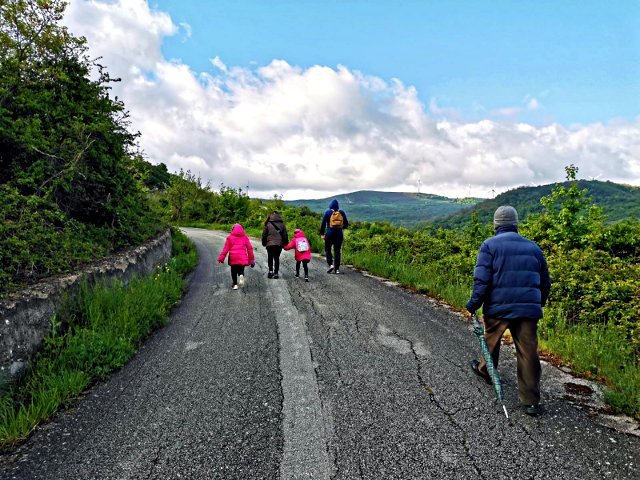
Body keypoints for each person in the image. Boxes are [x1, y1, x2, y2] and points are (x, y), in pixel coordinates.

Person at [466, 205, 551, 416]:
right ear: (516, 224)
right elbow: (545, 282)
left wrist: (473, 304)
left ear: (496, 225)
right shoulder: (534, 247)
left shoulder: (489, 246)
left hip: (498, 307)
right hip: (527, 309)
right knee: (528, 352)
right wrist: (538, 303)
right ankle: (531, 402)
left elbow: (482, 281)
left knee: (491, 342)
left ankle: (486, 371)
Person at [218, 223, 255, 290]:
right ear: (242, 229)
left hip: (233, 257)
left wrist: (221, 258)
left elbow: (225, 249)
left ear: (232, 229)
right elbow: (250, 248)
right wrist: (251, 260)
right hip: (242, 257)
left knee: (233, 271)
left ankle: (235, 284)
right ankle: (241, 275)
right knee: (241, 270)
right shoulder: (245, 237)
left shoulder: (229, 237)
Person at [319, 199, 348, 274]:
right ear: (338, 206)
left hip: (329, 234)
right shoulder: (341, 212)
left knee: (328, 249)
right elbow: (346, 224)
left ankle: (331, 265)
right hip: (339, 235)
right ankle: (337, 269)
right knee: (337, 251)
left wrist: (322, 234)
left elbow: (322, 225)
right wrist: (341, 228)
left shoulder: (327, 212)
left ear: (330, 206)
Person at [262, 211, 288, 279]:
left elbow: (264, 234)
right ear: (278, 216)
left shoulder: (268, 224)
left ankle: (270, 271)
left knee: (270, 257)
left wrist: (264, 243)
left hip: (269, 244)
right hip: (279, 244)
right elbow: (285, 235)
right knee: (276, 258)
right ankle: (276, 273)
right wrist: (285, 243)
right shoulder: (282, 224)